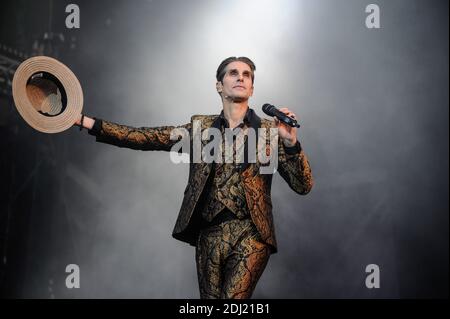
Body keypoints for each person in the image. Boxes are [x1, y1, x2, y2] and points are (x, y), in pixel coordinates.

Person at [74, 56, 313, 298]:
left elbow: (303, 185)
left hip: (251, 233)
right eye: (233, 73)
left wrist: (292, 144)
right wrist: (88, 123)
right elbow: (147, 137)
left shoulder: (270, 132)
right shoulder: (200, 128)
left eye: (246, 74)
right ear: (219, 85)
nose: (240, 77)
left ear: (252, 87)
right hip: (208, 234)